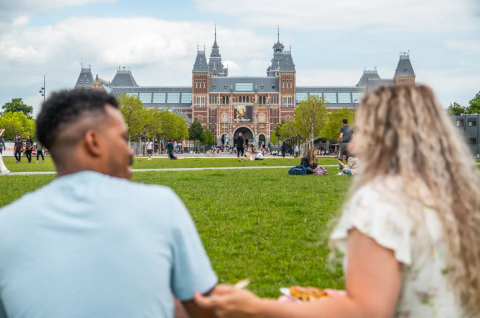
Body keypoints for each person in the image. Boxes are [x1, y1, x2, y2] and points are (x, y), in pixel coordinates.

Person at [195, 85, 480, 317]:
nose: (352, 143)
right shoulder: (460, 199)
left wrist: (256, 307)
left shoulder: (382, 201)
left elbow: (366, 311)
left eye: (363, 129)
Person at [0, 89, 218, 318]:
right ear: (93, 142)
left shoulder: (5, 226)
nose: (129, 152)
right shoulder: (162, 206)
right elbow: (204, 311)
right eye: (123, 138)